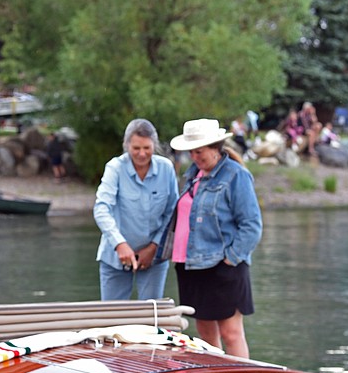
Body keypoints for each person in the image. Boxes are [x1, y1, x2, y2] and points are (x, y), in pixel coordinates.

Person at [161, 118, 262, 358]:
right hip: (190, 265)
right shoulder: (192, 175)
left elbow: (251, 225)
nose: (195, 157)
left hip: (223, 266)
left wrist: (230, 259)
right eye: (191, 152)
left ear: (215, 147)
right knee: (205, 334)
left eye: (199, 151)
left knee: (231, 333)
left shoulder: (236, 176)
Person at [93, 119, 178, 301]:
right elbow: (101, 208)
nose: (141, 154)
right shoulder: (115, 167)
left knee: (151, 316)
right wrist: (119, 244)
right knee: (112, 318)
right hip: (115, 256)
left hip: (154, 256)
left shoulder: (166, 168)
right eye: (136, 148)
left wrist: (154, 247)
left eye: (147, 148)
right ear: (126, 146)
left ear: (154, 146)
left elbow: (172, 213)